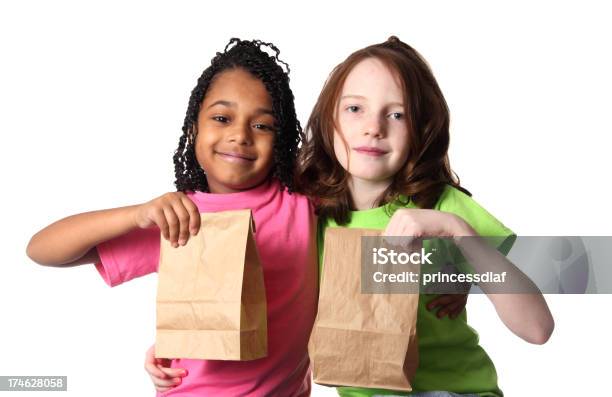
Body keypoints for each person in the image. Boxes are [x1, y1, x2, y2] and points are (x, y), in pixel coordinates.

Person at [27, 38, 318, 397]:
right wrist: (137, 214)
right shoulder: (178, 218)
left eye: (262, 126)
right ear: (194, 128)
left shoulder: (303, 202)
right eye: (222, 118)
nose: (240, 135)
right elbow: (41, 250)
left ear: (283, 138)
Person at [295, 36, 554, 397]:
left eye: (397, 114)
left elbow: (537, 328)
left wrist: (458, 233)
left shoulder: (441, 206)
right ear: (328, 119)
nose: (374, 127)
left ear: (421, 130)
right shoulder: (304, 212)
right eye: (355, 108)